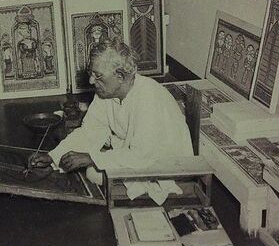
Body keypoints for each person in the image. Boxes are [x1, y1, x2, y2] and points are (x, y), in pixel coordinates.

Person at [30, 38, 193, 184]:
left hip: (167, 165)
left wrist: (91, 158)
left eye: (98, 75)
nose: (91, 80)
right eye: (91, 73)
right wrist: (54, 157)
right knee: (94, 172)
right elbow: (91, 131)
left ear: (120, 76)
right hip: (140, 154)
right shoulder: (107, 92)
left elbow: (143, 155)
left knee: (94, 171)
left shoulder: (148, 97)